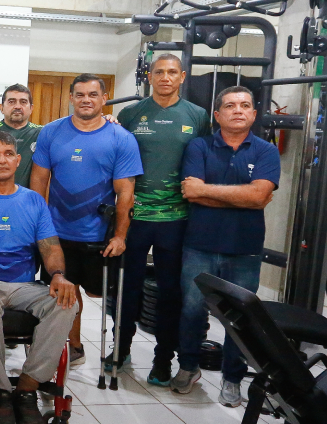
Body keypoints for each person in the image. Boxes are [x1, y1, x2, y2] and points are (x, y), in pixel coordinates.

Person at [0, 131, 77, 424]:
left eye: (8, 153)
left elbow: (50, 247)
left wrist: (58, 275)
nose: (2, 160)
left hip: (23, 284)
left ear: (18, 160)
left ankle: (27, 387)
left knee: (67, 302)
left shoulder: (33, 201)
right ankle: (0, 390)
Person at [171, 86, 279, 407]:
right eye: (230, 105)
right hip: (199, 244)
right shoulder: (198, 146)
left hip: (244, 249)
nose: (238, 110)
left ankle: (232, 378)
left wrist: (210, 191)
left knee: (239, 318)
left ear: (254, 114)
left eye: (245, 105)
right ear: (217, 115)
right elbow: (191, 192)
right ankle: (188, 367)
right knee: (191, 310)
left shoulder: (265, 151)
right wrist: (243, 197)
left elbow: (259, 196)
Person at [109, 54, 211, 385]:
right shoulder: (131, 114)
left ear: (182, 77)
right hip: (134, 217)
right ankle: (120, 349)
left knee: (170, 293)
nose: (165, 77)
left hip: (176, 219)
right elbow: (114, 155)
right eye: (158, 72)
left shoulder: (197, 116)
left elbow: (205, 160)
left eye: (171, 72)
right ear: (149, 76)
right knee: (127, 289)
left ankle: (163, 360)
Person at [29, 73, 143, 366]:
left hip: (98, 235)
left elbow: (125, 193)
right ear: (71, 98)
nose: (86, 100)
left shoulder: (121, 138)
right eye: (80, 94)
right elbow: (39, 182)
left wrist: (120, 236)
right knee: (66, 291)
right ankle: (74, 345)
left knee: (97, 291)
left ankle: (121, 348)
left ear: (104, 99)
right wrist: (41, 229)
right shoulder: (51, 132)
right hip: (57, 234)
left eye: (93, 94)